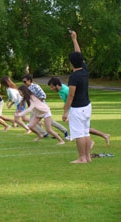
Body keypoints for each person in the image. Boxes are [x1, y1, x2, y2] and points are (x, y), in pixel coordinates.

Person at [48, 77, 110, 146]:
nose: (51, 89)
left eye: (52, 87)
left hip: (76, 110)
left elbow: (72, 99)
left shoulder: (65, 90)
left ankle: (95, 139)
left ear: (57, 85)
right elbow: (67, 100)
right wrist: (65, 107)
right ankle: (102, 136)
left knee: (84, 128)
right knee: (83, 127)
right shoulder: (60, 90)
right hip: (72, 110)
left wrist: (66, 111)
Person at [62, 30, 92, 164]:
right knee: (85, 132)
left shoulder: (74, 77)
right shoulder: (84, 70)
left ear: (71, 63)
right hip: (87, 106)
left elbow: (71, 95)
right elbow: (79, 55)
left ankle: (81, 158)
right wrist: (74, 39)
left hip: (78, 109)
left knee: (79, 134)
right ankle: (88, 157)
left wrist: (65, 111)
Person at [22, 74, 69, 140]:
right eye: (23, 82)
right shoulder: (26, 88)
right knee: (32, 123)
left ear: (29, 80)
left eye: (25, 81)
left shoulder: (35, 86)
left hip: (42, 108)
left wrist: (37, 102)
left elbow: (43, 95)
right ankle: (44, 133)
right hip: (35, 108)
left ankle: (64, 131)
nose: (24, 83)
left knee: (50, 123)